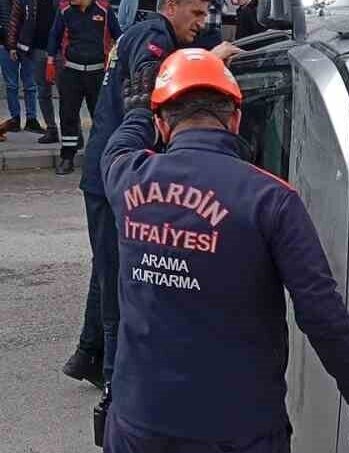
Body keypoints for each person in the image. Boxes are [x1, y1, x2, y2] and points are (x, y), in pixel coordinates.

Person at [51, 48, 349, 453]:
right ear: (235, 120)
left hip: (145, 415)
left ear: (162, 123)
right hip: (244, 428)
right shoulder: (272, 199)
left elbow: (119, 142)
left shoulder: (131, 179)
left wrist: (136, 100)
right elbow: (322, 313)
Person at [60, 0, 239, 393]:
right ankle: (115, 382)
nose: (202, 21)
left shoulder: (139, 32)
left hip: (105, 169)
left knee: (106, 262)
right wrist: (209, 60)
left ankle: (87, 354)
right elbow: (152, 85)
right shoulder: (155, 37)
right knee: (119, 276)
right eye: (194, 13)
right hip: (117, 170)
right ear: (170, 6)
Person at [46, 0, 121, 175]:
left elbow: (119, 36)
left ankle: (101, 157)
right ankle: (67, 157)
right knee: (68, 115)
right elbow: (54, 35)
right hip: (72, 71)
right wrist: (50, 61)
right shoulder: (64, 10)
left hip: (97, 73)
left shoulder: (104, 9)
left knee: (101, 117)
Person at [6, 0, 59, 142]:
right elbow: (15, 20)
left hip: (60, 51)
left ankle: (73, 132)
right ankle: (51, 128)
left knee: (68, 95)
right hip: (36, 50)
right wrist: (11, 45)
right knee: (42, 91)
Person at [0, 0, 42, 135]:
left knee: (30, 85)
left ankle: (31, 119)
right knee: (12, 85)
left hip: (27, 45)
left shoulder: (29, 1)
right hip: (5, 45)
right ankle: (15, 119)